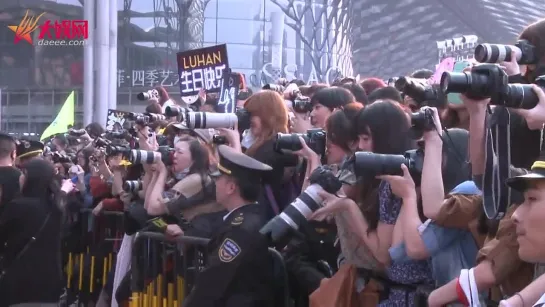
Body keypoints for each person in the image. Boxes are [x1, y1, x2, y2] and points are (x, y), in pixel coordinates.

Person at [183, 145, 275, 307]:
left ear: (231, 187)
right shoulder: (245, 218)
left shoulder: (241, 229)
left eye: (219, 178)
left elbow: (213, 282)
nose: (215, 183)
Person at [0, 159, 74, 306]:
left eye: (24, 173)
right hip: (49, 284)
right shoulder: (57, 208)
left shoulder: (17, 206)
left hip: (17, 284)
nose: (20, 177)